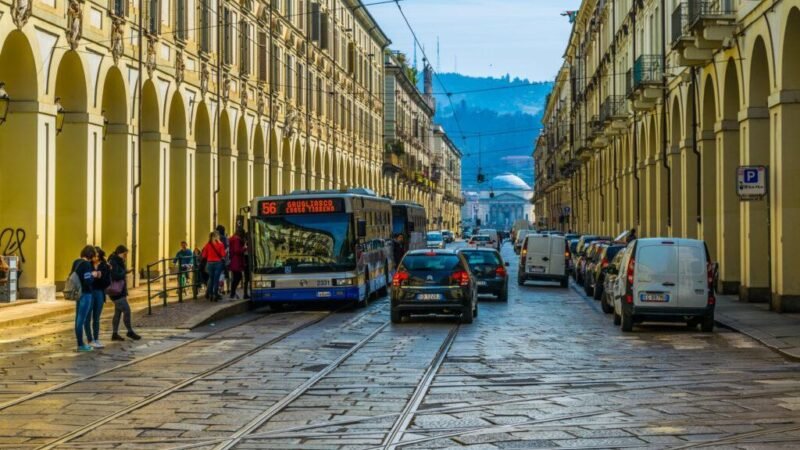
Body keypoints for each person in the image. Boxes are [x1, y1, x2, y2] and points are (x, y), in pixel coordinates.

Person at [108, 245, 141, 341]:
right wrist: (125, 272)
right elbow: (115, 275)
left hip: (119, 290)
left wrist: (124, 271)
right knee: (127, 310)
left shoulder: (117, 261)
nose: (126, 256)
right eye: (125, 254)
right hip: (116, 291)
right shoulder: (114, 262)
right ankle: (129, 331)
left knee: (117, 313)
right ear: (119, 253)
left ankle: (114, 334)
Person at [84, 247, 111, 349]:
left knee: (96, 317)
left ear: (99, 256)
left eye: (95, 255)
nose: (93, 257)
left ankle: (96, 339)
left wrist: (99, 275)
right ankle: (90, 339)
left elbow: (107, 281)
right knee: (87, 317)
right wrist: (92, 275)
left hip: (99, 292)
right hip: (89, 292)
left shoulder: (104, 266)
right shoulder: (88, 264)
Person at [73, 245, 98, 352]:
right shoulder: (87, 264)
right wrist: (94, 275)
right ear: (90, 255)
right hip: (86, 293)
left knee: (77, 318)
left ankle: (79, 343)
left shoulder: (76, 262)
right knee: (81, 319)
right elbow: (88, 280)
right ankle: (81, 345)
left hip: (77, 293)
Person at [202, 231, 227, 302]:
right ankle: (215, 294)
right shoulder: (220, 244)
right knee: (216, 279)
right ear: (217, 236)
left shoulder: (207, 245)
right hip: (218, 263)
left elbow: (204, 255)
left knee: (211, 279)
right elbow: (223, 255)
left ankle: (210, 294)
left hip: (209, 263)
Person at [228, 228, 246, 299]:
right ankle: (232, 293)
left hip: (234, 260)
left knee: (236, 277)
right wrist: (244, 248)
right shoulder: (237, 240)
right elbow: (237, 250)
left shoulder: (233, 238)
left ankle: (233, 292)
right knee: (238, 277)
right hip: (236, 261)